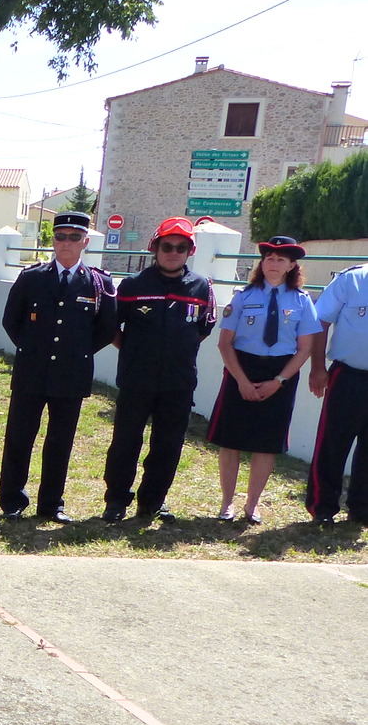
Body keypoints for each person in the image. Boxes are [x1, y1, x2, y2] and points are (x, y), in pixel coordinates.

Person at [0, 211, 117, 522]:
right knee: (19, 437)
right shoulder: (32, 278)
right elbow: (12, 320)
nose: (66, 243)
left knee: (60, 442)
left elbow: (106, 328)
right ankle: (12, 501)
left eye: (74, 237)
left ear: (85, 242)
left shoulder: (99, 283)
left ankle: (51, 505)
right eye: (60, 236)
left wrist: (75, 352)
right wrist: (34, 348)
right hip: (31, 370)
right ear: (53, 240)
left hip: (71, 373)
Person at [101, 216, 217, 524]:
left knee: (167, 445)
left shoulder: (201, 287)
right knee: (126, 441)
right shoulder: (133, 285)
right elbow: (113, 327)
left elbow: (204, 328)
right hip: (137, 378)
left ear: (190, 251)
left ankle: (152, 502)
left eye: (182, 247)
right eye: (167, 246)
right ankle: (116, 500)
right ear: (155, 247)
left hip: (178, 382)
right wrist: (134, 351)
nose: (173, 252)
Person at [206, 236, 320, 524]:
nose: (274, 262)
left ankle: (252, 505)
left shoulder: (302, 301)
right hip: (242, 369)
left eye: (281, 259)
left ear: (292, 265)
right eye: (269, 257)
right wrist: (242, 381)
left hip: (280, 374)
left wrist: (279, 380)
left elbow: (305, 347)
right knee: (230, 441)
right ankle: (226, 504)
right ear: (262, 262)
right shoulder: (243, 297)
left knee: (266, 444)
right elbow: (225, 344)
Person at [306, 262, 368, 524]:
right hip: (348, 375)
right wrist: (317, 368)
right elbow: (320, 321)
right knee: (333, 442)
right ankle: (322, 506)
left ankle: (362, 509)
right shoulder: (352, 279)